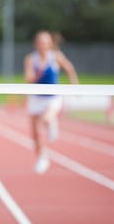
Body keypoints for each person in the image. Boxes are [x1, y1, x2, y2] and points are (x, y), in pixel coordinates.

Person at [24, 31, 78, 174]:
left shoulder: (56, 57)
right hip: (36, 98)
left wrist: (75, 86)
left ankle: (52, 122)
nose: (42, 46)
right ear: (36, 44)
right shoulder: (31, 59)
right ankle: (42, 157)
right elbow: (27, 78)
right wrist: (35, 76)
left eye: (45, 43)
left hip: (52, 97)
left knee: (47, 118)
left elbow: (69, 69)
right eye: (40, 43)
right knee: (35, 133)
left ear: (50, 44)